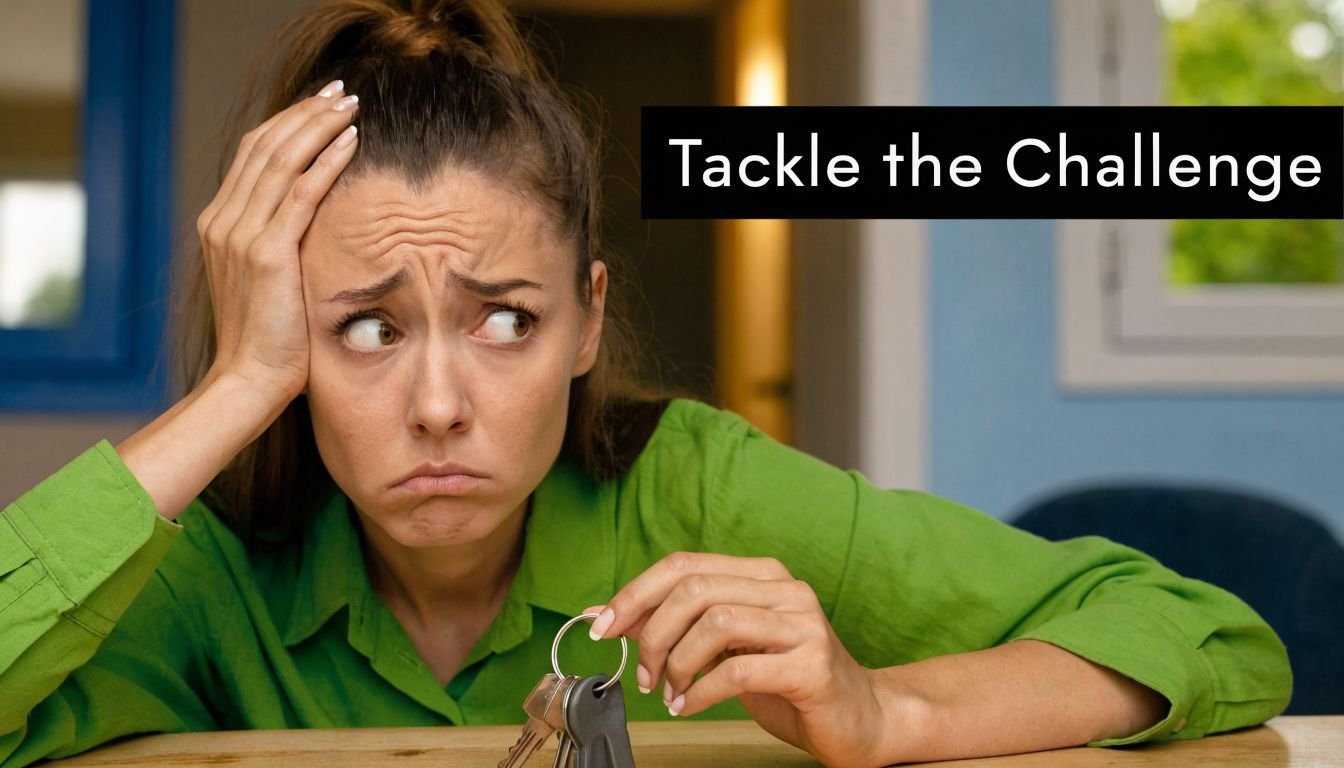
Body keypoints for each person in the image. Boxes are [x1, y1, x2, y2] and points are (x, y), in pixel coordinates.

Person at [0, 1, 1291, 766]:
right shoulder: (197, 563)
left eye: (506, 319)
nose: (441, 404)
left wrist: (883, 707)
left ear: (586, 320)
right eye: (367, 331)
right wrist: (239, 388)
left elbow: (1207, 634)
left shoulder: (698, 486)